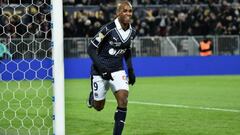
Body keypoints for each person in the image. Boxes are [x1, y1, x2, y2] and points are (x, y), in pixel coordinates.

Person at [86, 1, 136, 135]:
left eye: (130, 11)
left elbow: (127, 50)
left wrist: (130, 70)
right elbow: (90, 49)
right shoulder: (107, 29)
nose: (128, 14)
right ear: (118, 13)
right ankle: (92, 98)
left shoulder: (132, 31)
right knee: (99, 106)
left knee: (123, 100)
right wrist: (102, 69)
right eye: (124, 11)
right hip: (100, 71)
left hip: (118, 70)